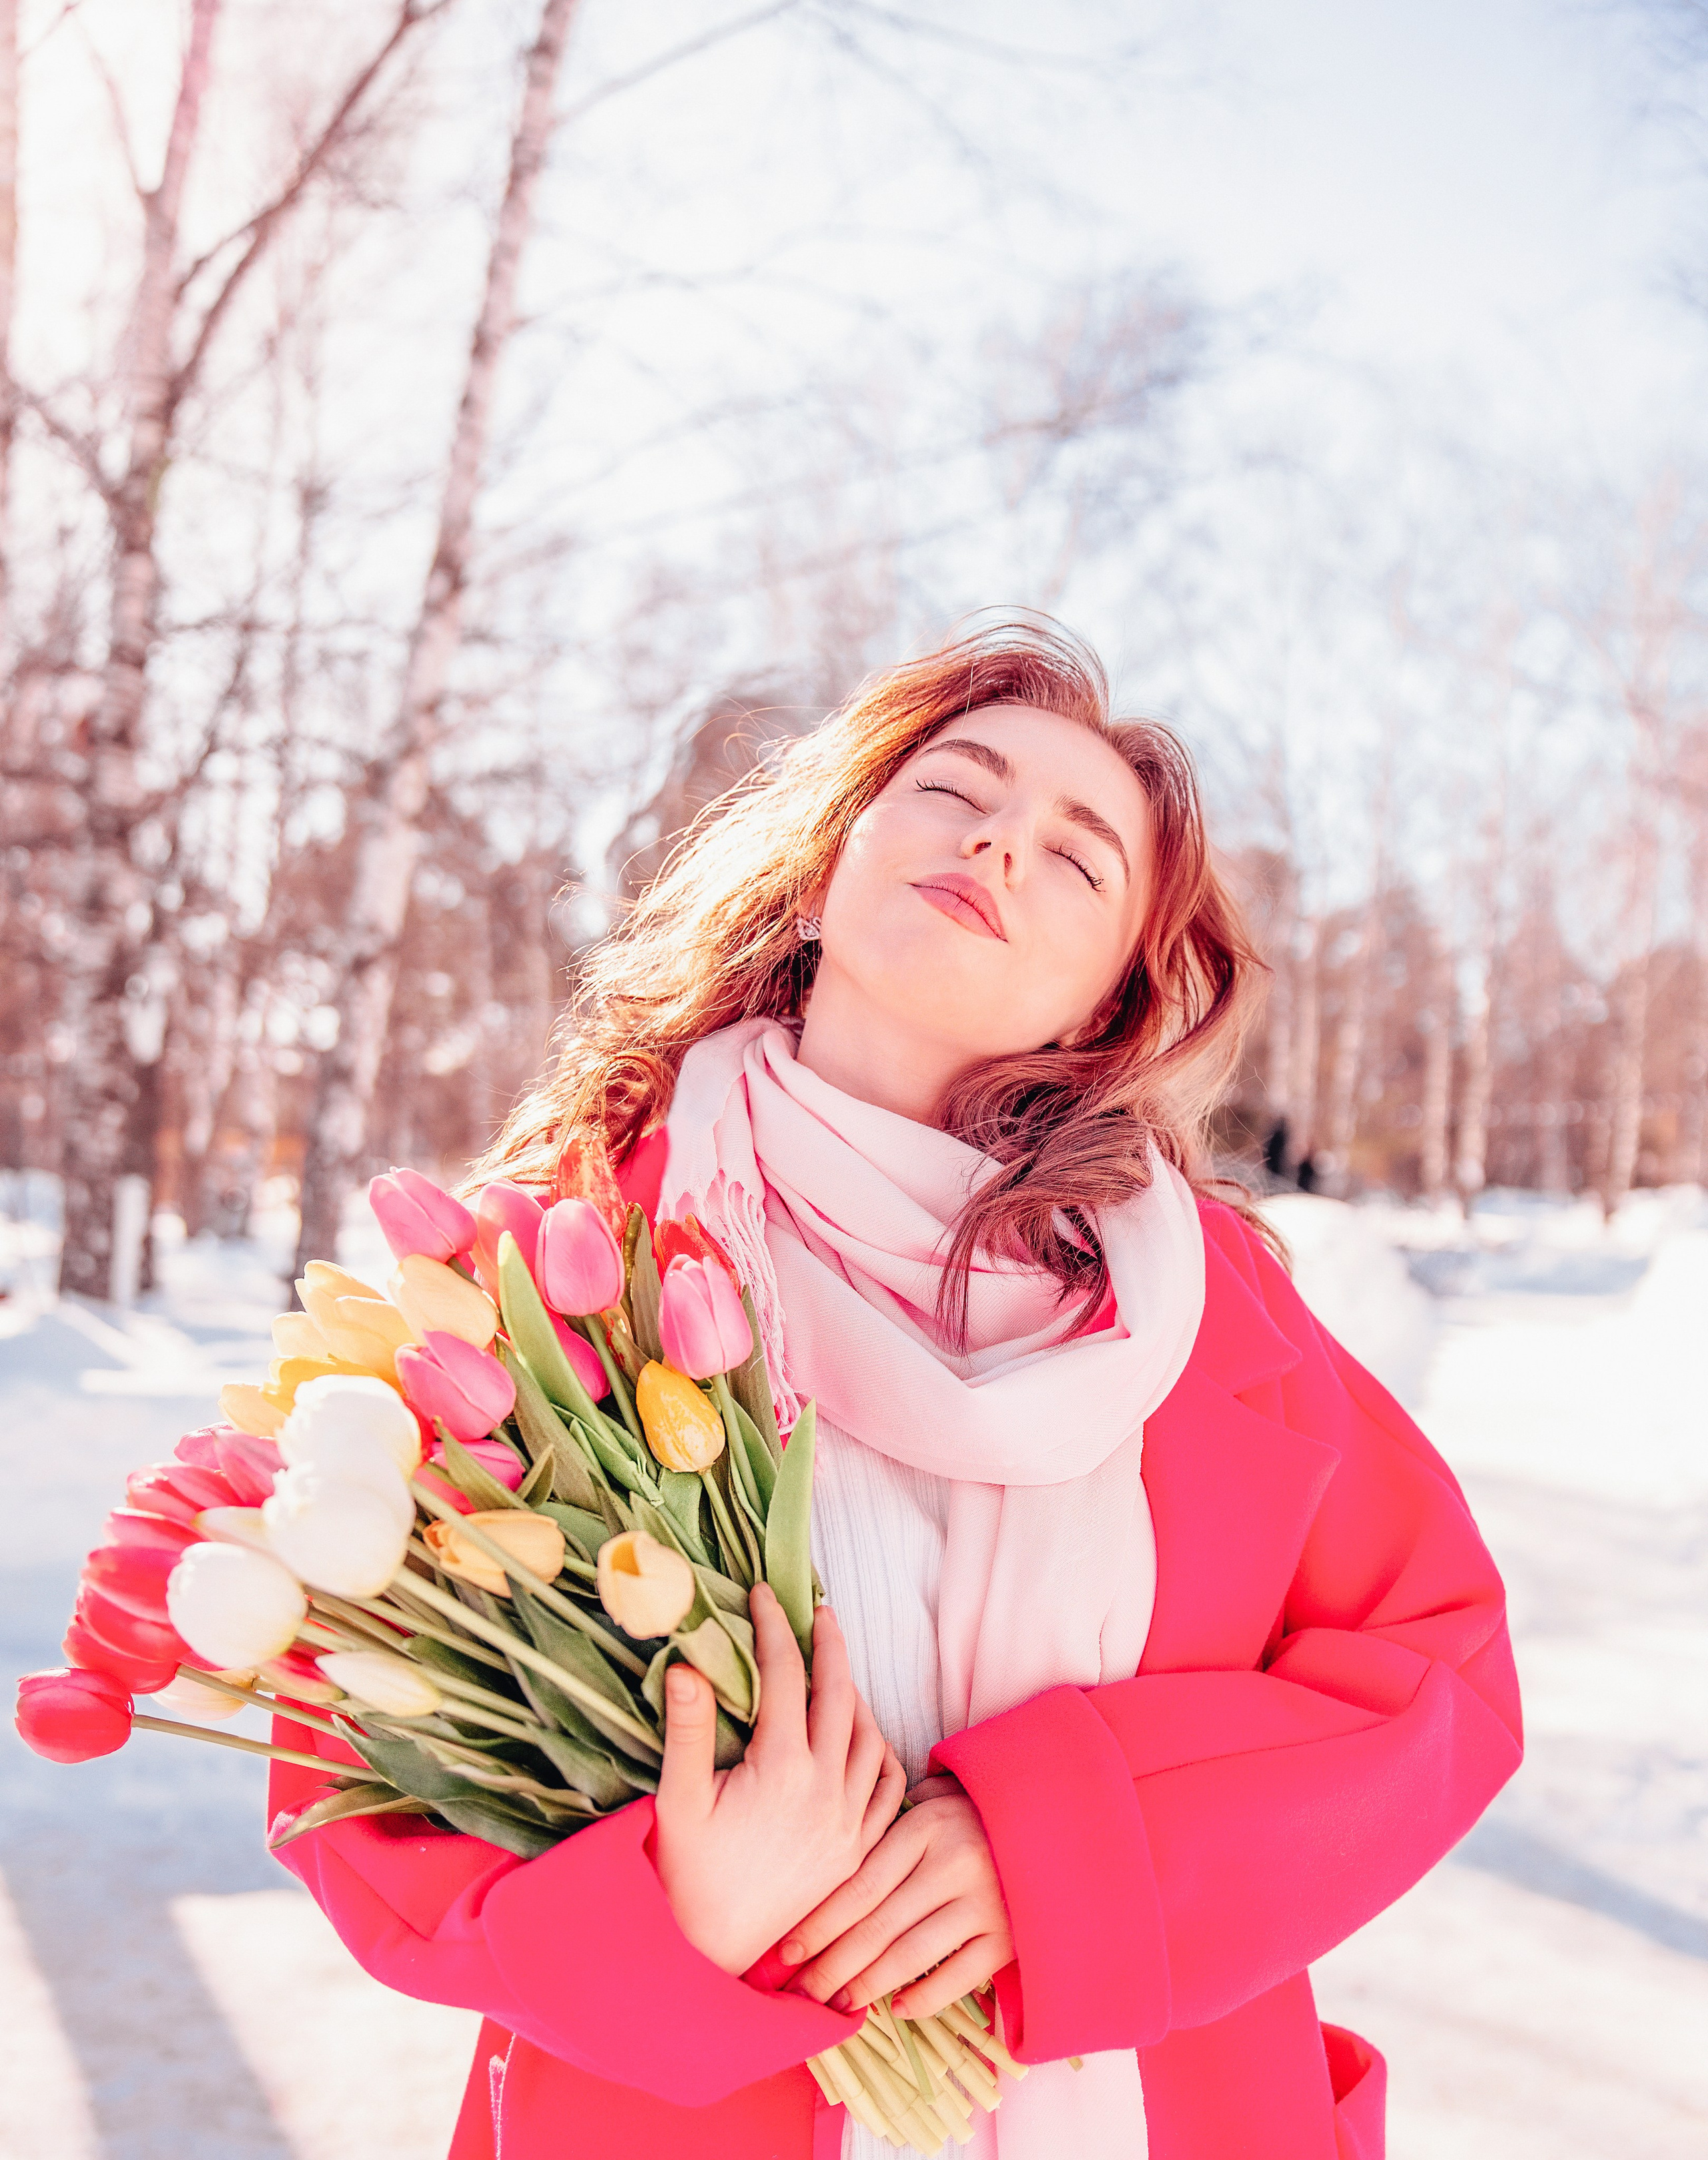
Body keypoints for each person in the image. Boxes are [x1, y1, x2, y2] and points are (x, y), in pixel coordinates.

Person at [268, 615, 1521, 2160]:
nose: (999, 845)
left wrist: (1060, 1857)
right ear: (825, 860)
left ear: (1102, 1003)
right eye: (956, 791)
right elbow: (348, 1744)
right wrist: (669, 1906)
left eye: (1076, 858)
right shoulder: (562, 1263)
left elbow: (1439, 1675)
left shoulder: (1206, 1306)